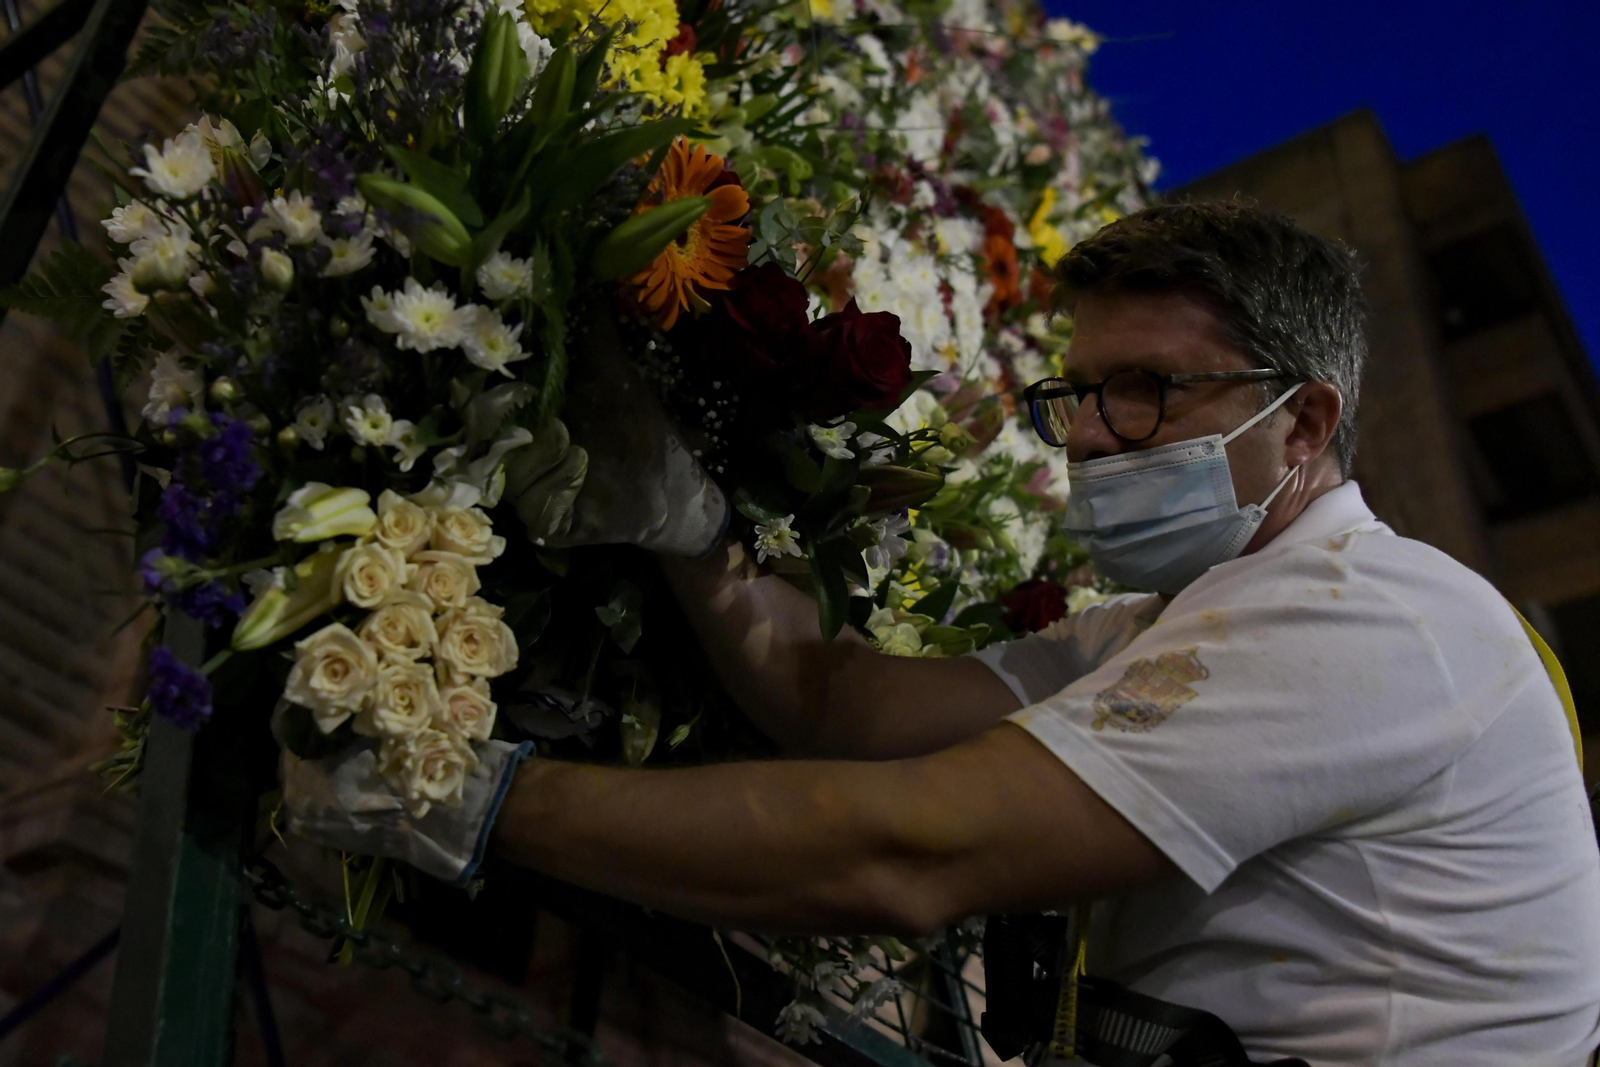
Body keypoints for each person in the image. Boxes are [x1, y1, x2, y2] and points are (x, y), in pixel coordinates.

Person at [284, 201, 1600, 1065]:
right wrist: (692, 528)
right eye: (1077, 395)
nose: (1087, 435)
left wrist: (464, 796)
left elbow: (903, 847)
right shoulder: (1164, 625)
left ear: (1302, 427)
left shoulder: (1374, 625)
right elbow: (838, 704)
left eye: (1141, 391)